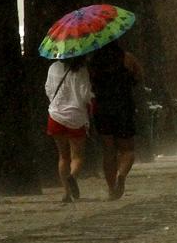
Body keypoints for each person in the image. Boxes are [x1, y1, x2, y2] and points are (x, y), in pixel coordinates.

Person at [90, 40, 142, 200]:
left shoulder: (93, 62)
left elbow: (90, 85)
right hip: (124, 107)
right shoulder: (127, 58)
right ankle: (122, 174)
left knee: (108, 150)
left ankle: (111, 188)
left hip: (103, 109)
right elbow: (139, 77)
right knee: (128, 150)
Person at [45, 55, 92, 202]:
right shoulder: (81, 70)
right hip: (76, 117)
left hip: (56, 116)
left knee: (63, 156)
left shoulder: (53, 67)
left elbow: (48, 89)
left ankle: (66, 192)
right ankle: (72, 176)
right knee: (77, 156)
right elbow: (85, 94)